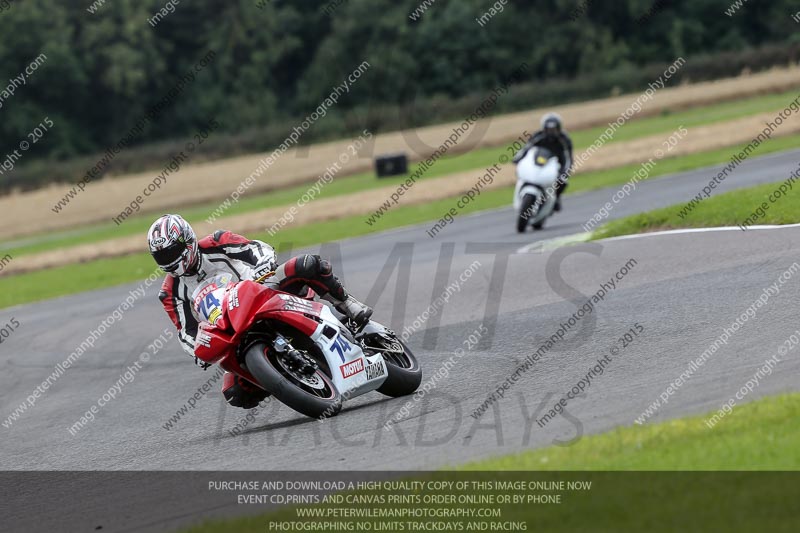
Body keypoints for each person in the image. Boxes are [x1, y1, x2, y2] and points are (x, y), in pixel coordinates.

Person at [147, 214, 372, 409]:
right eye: (162, 257)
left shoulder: (217, 242)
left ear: (187, 241)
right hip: (232, 329)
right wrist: (198, 350)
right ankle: (287, 378)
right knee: (235, 392)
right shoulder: (169, 292)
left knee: (305, 264)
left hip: (264, 289)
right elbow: (187, 331)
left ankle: (347, 304)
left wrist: (263, 263)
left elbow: (255, 249)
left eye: (172, 252)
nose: (170, 261)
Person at [513, 112, 573, 211]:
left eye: (554, 130)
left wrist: (566, 171)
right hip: (540, 159)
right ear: (544, 128)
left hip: (556, 163)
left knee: (562, 182)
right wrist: (518, 158)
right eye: (549, 129)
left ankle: (556, 199)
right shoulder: (538, 135)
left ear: (559, 128)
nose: (551, 132)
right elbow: (526, 148)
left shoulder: (564, 139)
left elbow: (568, 157)